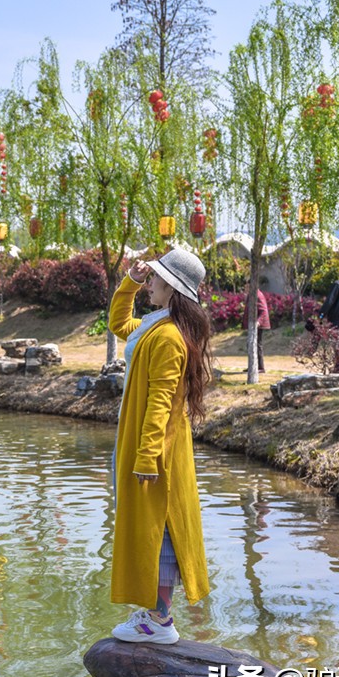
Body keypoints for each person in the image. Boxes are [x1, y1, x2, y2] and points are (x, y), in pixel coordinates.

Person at [106, 248, 214, 645]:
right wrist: (130, 282)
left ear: (172, 286)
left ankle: (159, 620)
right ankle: (155, 612)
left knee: (160, 527)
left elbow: (162, 402)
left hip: (158, 448)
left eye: (154, 277)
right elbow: (119, 322)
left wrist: (147, 456)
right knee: (152, 524)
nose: (149, 282)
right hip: (144, 440)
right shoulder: (157, 324)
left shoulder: (169, 336)